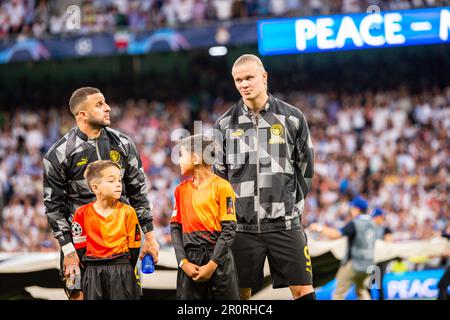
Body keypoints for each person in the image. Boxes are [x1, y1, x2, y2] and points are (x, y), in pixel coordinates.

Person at [213, 54, 315, 300]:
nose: (244, 84)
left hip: (285, 224)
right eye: (238, 80)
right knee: (239, 295)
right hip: (241, 228)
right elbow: (220, 177)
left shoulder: (292, 118)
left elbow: (306, 169)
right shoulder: (225, 124)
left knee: (303, 290)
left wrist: (289, 206)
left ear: (264, 77)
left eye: (249, 77)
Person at [43, 87, 159, 300]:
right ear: (82, 115)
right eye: (99, 104)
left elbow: (139, 194)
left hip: (121, 246)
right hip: (80, 248)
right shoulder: (58, 154)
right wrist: (68, 251)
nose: (108, 108)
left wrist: (150, 238)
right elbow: (53, 207)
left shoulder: (124, 144)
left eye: (105, 102)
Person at [170, 134, 240, 300]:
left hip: (218, 260)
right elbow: (175, 228)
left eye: (182, 154)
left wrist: (213, 263)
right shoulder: (180, 190)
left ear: (195, 158)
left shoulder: (223, 187)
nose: (179, 160)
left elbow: (229, 229)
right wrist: (183, 262)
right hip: (189, 260)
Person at [72, 160, 141, 300]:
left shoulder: (128, 212)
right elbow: (80, 249)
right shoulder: (81, 214)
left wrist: (125, 269)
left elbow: (134, 248)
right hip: (92, 273)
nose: (118, 184)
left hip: (122, 270)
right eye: (111, 180)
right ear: (96, 188)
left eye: (119, 180)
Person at [310, 201, 392, 300]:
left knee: (338, 294)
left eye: (352, 209)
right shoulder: (374, 225)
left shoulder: (355, 223)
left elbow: (335, 235)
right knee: (361, 290)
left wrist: (319, 228)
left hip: (353, 264)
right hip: (368, 265)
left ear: (356, 209)